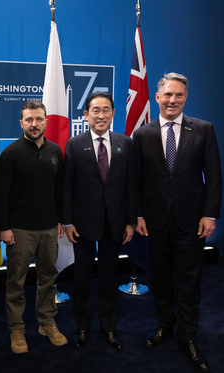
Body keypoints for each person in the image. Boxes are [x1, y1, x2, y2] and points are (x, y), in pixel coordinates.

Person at [133, 73, 222, 372]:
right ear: (157, 97)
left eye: (179, 95)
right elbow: (136, 180)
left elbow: (214, 176)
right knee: (159, 279)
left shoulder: (204, 130)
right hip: (155, 222)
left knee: (188, 281)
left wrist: (209, 214)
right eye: (167, 95)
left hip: (192, 221)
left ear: (186, 97)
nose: (173, 100)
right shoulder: (142, 134)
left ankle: (188, 337)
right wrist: (139, 214)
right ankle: (164, 326)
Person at [62, 92, 136, 351]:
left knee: (108, 278)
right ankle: (82, 327)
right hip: (82, 225)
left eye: (106, 110)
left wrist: (130, 221)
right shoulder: (74, 144)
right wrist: (68, 222)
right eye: (95, 110)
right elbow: (67, 187)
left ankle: (109, 327)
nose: (101, 115)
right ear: (86, 115)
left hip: (115, 224)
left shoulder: (125, 143)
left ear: (113, 113)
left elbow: (131, 186)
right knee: (81, 278)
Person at [0, 100, 67, 355]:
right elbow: (1, 194)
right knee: (16, 281)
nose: (34, 124)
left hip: (49, 229)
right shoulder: (10, 153)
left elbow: (59, 191)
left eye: (39, 119)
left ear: (46, 121)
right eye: (29, 120)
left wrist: (59, 220)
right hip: (20, 230)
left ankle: (47, 322)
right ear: (21, 123)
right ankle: (16, 327)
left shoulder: (56, 151)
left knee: (48, 278)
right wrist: (4, 227)